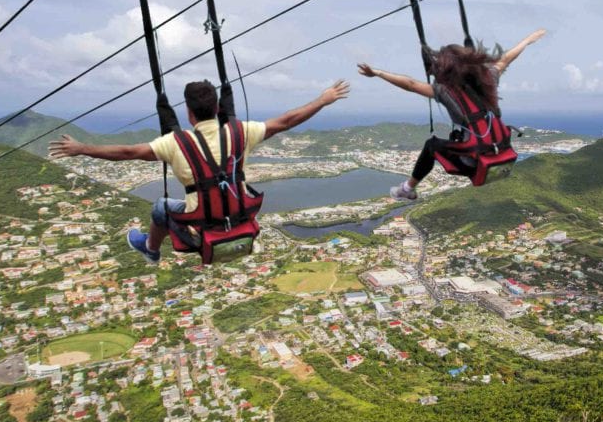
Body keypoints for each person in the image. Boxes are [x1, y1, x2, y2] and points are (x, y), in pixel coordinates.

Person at [48, 79, 350, 263]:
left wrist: (82, 148)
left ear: (189, 113)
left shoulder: (175, 143)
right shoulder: (241, 132)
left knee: (159, 207)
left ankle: (151, 249)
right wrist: (323, 100)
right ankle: (154, 247)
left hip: (199, 227)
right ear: (218, 108)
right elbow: (286, 121)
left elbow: (127, 153)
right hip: (240, 217)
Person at [357, 29, 546, 200]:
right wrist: (528, 40)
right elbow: (506, 59)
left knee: (431, 145)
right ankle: (408, 188)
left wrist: (378, 73)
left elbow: (411, 85)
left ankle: (407, 189)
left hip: (473, 161)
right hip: (502, 152)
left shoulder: (446, 91)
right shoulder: (489, 78)